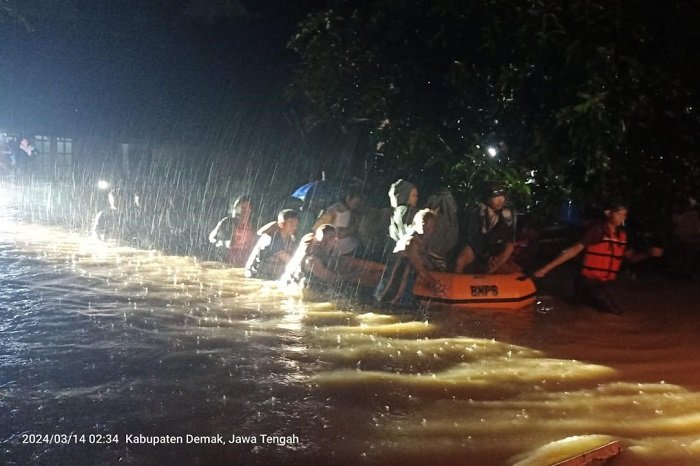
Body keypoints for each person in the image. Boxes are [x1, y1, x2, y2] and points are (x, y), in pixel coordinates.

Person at [534, 201, 663, 314]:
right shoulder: (597, 230)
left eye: (624, 214)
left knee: (578, 309)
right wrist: (546, 269)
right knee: (616, 314)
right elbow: (574, 250)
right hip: (589, 280)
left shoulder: (622, 235)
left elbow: (631, 258)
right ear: (608, 213)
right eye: (619, 214)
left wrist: (647, 254)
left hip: (599, 282)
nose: (622, 218)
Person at [374, 209, 445, 306]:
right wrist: (436, 284)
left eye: (431, 226)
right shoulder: (411, 242)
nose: (428, 229)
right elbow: (420, 269)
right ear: (416, 224)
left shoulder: (422, 245)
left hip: (402, 293)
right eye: (425, 225)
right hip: (391, 292)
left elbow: (427, 264)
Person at [453, 184, 520, 274]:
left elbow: (509, 243)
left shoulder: (507, 215)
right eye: (495, 197)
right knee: (459, 261)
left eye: (502, 196)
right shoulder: (477, 211)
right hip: (478, 247)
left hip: (496, 250)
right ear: (487, 198)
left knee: (510, 266)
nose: (500, 200)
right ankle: (457, 285)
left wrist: (497, 257)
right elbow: (472, 238)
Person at [245, 208, 299, 280]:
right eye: (291, 223)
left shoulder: (290, 238)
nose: (294, 226)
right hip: (257, 277)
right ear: (282, 224)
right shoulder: (270, 238)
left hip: (271, 276)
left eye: (296, 223)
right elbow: (290, 261)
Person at [208, 195, 256, 266]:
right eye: (241, 208)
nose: (243, 211)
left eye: (246, 209)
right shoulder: (226, 222)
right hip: (226, 263)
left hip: (245, 264)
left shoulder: (255, 225)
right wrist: (224, 243)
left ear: (250, 210)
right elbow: (211, 239)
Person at [314, 188, 363, 255]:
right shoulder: (340, 210)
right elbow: (338, 232)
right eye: (356, 203)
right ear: (348, 199)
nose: (357, 206)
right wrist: (353, 230)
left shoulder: (339, 208)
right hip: (335, 245)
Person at [388, 179, 419, 243]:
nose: (416, 198)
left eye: (416, 196)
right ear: (405, 195)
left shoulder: (394, 213)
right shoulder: (407, 211)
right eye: (413, 195)